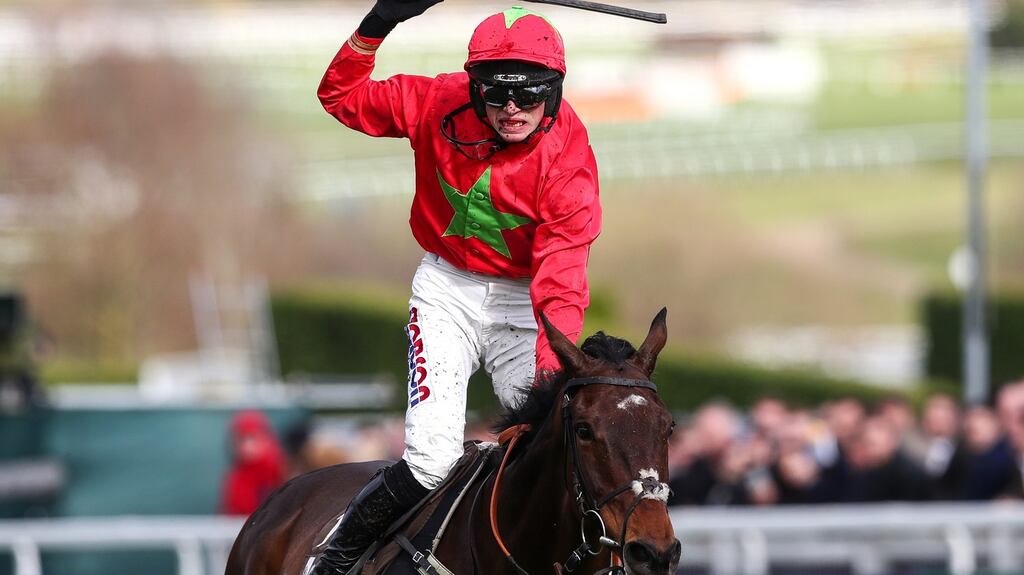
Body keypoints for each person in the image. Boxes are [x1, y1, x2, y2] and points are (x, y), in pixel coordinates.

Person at [312, 0, 602, 572]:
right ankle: (330, 563)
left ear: (556, 88)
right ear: (474, 88)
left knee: (549, 452)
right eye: (497, 93)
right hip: (448, 290)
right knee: (429, 460)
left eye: (531, 92)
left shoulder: (569, 164)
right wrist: (380, 21)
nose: (513, 109)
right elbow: (339, 97)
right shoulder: (433, 101)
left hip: (527, 302)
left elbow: (560, 290)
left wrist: (549, 385)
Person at [220, 410, 287, 516]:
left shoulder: (280, 469)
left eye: (252, 437)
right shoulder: (235, 476)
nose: (246, 445)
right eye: (240, 439)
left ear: (266, 437)